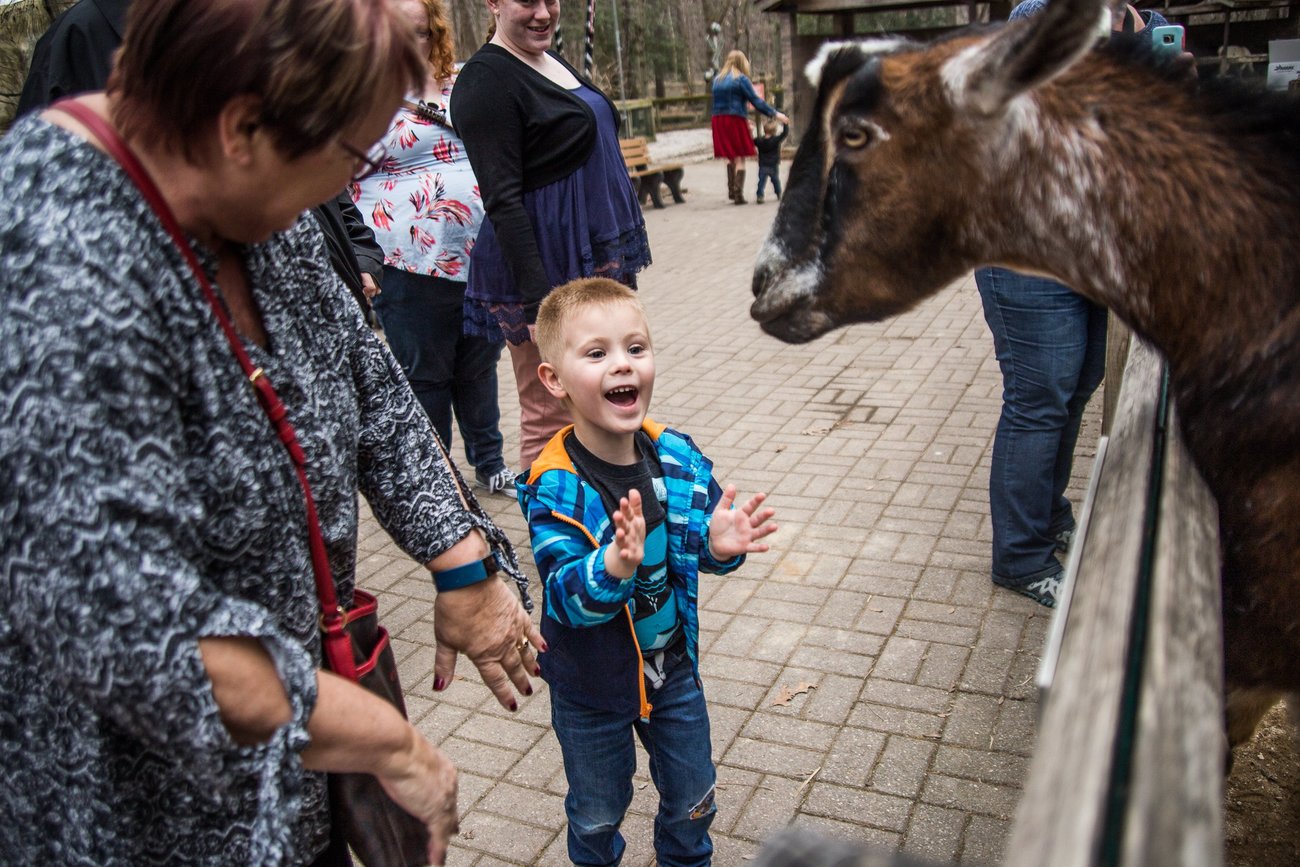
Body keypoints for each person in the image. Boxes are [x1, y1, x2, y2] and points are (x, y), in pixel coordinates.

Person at [0, 1, 545, 863]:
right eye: (351, 157)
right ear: (242, 126)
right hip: (143, 824)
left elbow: (364, 374)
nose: (346, 188)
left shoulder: (245, 201)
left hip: (286, 788)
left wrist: (463, 561)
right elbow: (132, 626)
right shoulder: (52, 256)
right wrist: (387, 739)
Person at [517, 277, 778, 866]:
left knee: (694, 799)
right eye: (596, 353)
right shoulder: (555, 486)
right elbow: (562, 597)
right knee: (596, 812)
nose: (621, 365)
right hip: (590, 686)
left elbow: (702, 549)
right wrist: (612, 566)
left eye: (635, 348)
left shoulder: (677, 458)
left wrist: (721, 545)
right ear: (554, 379)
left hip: (672, 671)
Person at [974, 0, 1175, 608]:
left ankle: (1046, 512)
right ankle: (1020, 555)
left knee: (1079, 385)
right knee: (1039, 399)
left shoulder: (1140, 20)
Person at [16, 0, 386, 323]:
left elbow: (310, 153)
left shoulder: (260, 20)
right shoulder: (81, 36)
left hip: (312, 281)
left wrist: (357, 248)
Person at [451, 0, 652, 470]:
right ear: (494, 4)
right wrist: (540, 305)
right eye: (527, 1)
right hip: (545, 270)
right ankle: (555, 538)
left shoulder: (547, 59)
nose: (543, 13)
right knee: (549, 411)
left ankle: (609, 520)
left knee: (604, 397)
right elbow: (501, 198)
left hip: (590, 256)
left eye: (552, 0)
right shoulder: (484, 81)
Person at [352, 0, 513, 495]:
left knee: (478, 364)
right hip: (406, 262)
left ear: (435, 34)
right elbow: (337, 183)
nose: (408, 43)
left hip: (481, 257)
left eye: (419, 32)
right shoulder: (359, 99)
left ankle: (489, 461)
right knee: (426, 374)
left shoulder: (464, 82)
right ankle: (436, 474)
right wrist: (359, 260)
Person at [710, 49, 788, 205]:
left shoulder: (717, 80)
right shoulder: (741, 79)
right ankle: (738, 194)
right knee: (739, 156)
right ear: (742, 62)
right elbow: (756, 101)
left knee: (728, 156)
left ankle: (732, 190)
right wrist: (775, 114)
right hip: (735, 118)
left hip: (717, 120)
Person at [752, 117, 787, 204]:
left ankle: (760, 195)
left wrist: (749, 131)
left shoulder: (759, 140)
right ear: (775, 130)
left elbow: (751, 141)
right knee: (775, 180)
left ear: (764, 130)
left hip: (763, 164)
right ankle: (778, 193)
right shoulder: (776, 140)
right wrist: (785, 123)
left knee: (761, 181)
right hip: (773, 164)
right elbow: (784, 134)